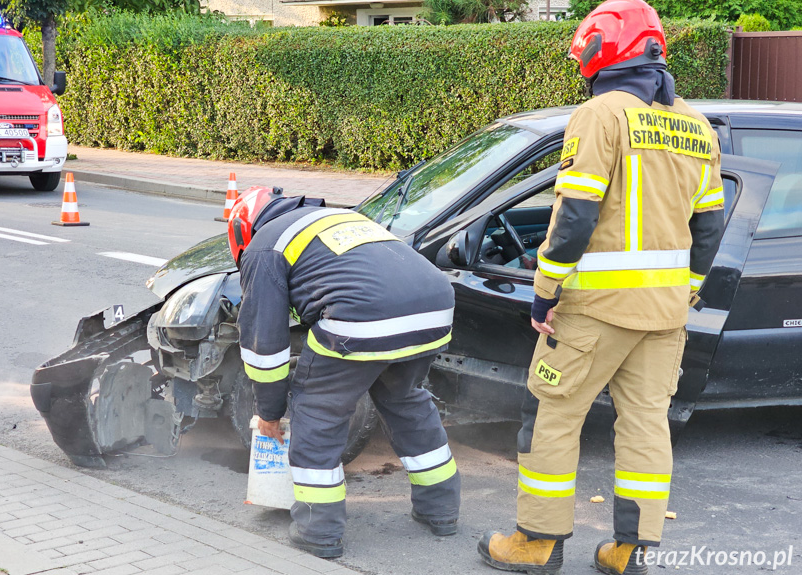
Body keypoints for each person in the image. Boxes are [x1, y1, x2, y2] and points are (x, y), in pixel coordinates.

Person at [477, 1, 724, 574]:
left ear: (601, 50)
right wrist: (682, 290)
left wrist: (545, 288)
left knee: (551, 416)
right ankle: (630, 551)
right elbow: (709, 227)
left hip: (594, 311)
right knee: (645, 425)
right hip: (665, 314)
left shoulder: (600, 114)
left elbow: (575, 215)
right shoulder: (695, 123)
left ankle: (537, 542)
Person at [228, 187, 461, 558]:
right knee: (405, 399)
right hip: (434, 307)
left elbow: (265, 347)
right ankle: (442, 509)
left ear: (242, 232)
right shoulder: (341, 217)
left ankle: (318, 529)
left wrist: (270, 413)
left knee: (319, 409)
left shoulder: (263, 247)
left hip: (362, 318)